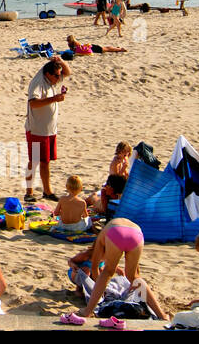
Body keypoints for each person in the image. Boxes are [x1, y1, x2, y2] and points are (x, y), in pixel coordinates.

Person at [78, 218, 166, 318]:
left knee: (108, 272)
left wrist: (101, 292)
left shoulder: (100, 239)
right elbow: (136, 271)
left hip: (115, 232)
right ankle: (162, 315)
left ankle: (88, 311)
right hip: (136, 233)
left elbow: (94, 267)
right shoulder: (115, 225)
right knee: (134, 277)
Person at [25, 57, 69, 202]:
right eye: (56, 75)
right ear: (48, 74)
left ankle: (47, 191)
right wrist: (54, 99)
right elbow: (33, 104)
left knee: (46, 162)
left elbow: (68, 73)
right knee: (34, 161)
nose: (59, 78)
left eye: (59, 75)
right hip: (37, 130)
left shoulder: (51, 79)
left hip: (49, 130)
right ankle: (29, 192)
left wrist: (61, 61)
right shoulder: (38, 83)